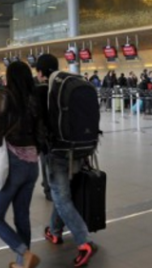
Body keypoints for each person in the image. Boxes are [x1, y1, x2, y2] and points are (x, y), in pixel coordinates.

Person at [37, 54, 97, 267]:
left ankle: (84, 241)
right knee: (62, 193)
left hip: (58, 151)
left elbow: (39, 121)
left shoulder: (45, 89)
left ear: (40, 72)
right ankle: (54, 231)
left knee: (61, 197)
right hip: (80, 148)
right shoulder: (69, 81)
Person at [0, 61, 42, 268]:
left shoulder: (4, 93)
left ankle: (23, 253)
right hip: (32, 162)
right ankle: (22, 263)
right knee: (22, 216)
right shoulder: (34, 95)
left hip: (12, 160)